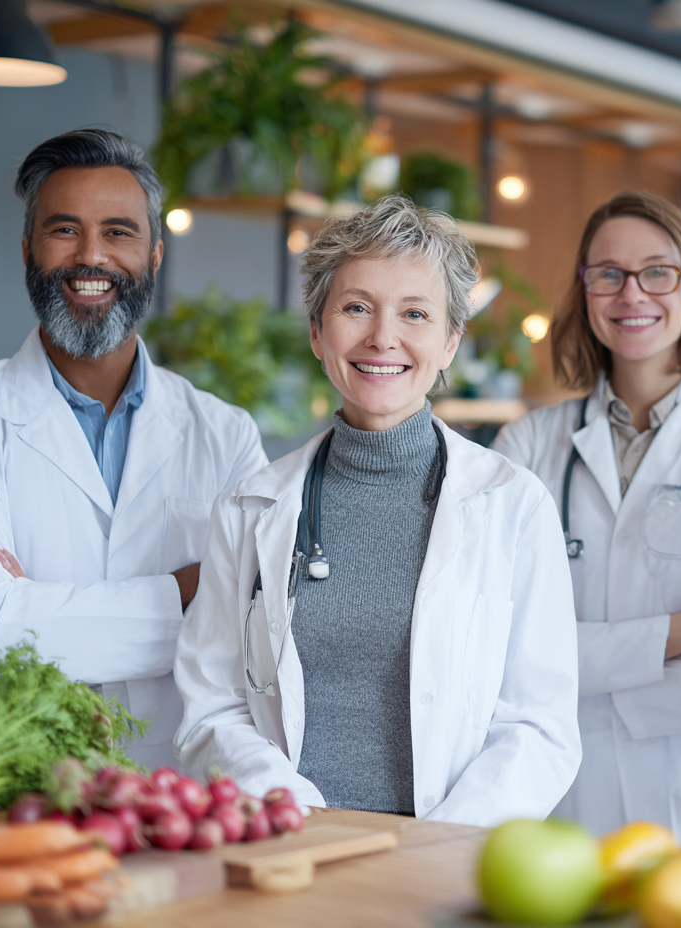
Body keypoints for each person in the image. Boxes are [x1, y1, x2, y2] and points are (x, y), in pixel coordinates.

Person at [173, 195, 580, 824]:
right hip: (291, 850)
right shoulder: (251, 508)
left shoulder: (512, 505)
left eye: (415, 313)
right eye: (356, 307)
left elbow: (539, 725)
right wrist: (299, 817)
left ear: (450, 342)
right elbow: (212, 707)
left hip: (446, 861)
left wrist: (437, 849)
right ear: (317, 331)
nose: (382, 337)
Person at [0, 129, 268, 768]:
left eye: (119, 232)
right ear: (27, 250)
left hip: (189, 785)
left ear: (154, 254)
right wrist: (190, 588)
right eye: (64, 230)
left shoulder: (226, 434)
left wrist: (36, 612)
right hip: (27, 782)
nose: (90, 256)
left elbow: (258, 630)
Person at [492, 191, 681, 844]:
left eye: (657, 272)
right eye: (608, 275)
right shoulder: (526, 448)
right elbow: (502, 647)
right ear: (584, 291)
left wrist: (592, 668)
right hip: (566, 789)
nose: (632, 295)